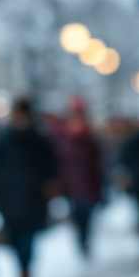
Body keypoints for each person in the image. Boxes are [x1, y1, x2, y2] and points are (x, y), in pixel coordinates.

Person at [0, 99, 58, 277]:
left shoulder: (39, 140)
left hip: (32, 199)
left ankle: (25, 273)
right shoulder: (4, 140)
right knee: (14, 240)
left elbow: (50, 166)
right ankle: (21, 269)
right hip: (10, 199)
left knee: (28, 240)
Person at [58, 102, 103, 257]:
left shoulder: (91, 142)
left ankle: (85, 241)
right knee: (77, 218)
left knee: (87, 218)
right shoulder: (65, 141)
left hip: (89, 187)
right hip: (72, 188)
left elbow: (98, 166)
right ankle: (80, 241)